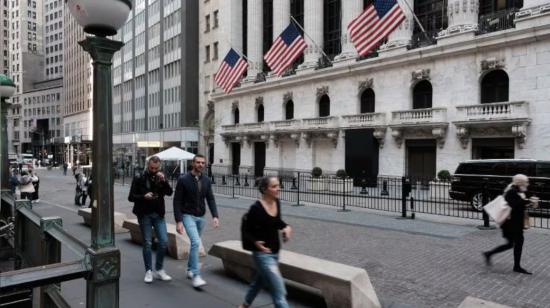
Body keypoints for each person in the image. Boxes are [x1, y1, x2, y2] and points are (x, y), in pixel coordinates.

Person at [239, 176, 292, 308]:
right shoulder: (256, 208)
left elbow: (277, 222)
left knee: (259, 281)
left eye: (278, 185)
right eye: (274, 186)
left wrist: (286, 227)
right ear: (265, 189)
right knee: (278, 292)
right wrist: (255, 242)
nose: (278, 188)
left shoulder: (277, 202)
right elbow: (246, 230)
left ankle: (245, 304)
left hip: (275, 252)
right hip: (262, 255)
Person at [173, 154, 219, 288]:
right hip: (188, 215)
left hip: (201, 217)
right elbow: (177, 201)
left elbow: (210, 198)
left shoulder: (206, 180)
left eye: (203, 163)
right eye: (198, 162)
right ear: (193, 163)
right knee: (195, 242)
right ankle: (196, 275)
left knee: (195, 244)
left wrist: (215, 216)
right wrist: (178, 220)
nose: (200, 165)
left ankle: (189, 270)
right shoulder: (183, 179)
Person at [128, 156, 173, 283]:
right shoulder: (139, 177)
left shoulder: (161, 176)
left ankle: (159, 269)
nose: (154, 170)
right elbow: (131, 197)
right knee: (147, 242)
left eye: (156, 168)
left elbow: (169, 192)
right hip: (144, 214)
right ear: (148, 165)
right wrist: (144, 196)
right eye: (152, 167)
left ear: (159, 166)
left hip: (158, 214)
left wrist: (163, 181)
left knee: (163, 241)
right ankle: (148, 271)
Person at [483, 174, 539, 275]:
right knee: (516, 243)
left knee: (511, 244)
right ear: (520, 183)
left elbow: (520, 204)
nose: (528, 184)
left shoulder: (518, 191)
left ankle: (489, 254)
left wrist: (530, 203)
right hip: (510, 224)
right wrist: (528, 201)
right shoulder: (511, 191)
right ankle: (516, 266)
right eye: (526, 182)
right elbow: (516, 204)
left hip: (515, 223)